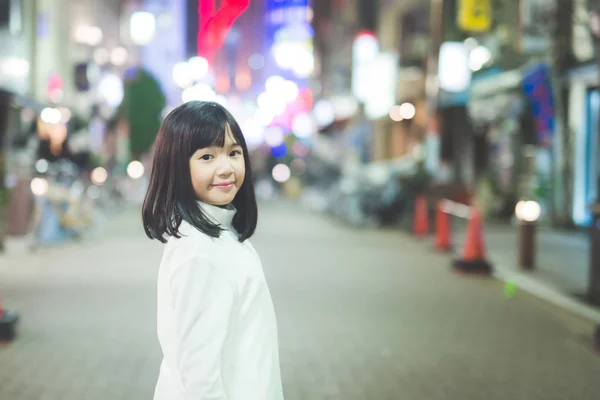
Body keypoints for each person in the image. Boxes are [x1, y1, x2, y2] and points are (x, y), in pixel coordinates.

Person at [142, 101, 284, 400]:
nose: (226, 168)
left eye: (234, 153)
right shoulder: (199, 251)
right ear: (177, 167)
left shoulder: (222, 234)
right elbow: (199, 375)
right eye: (207, 156)